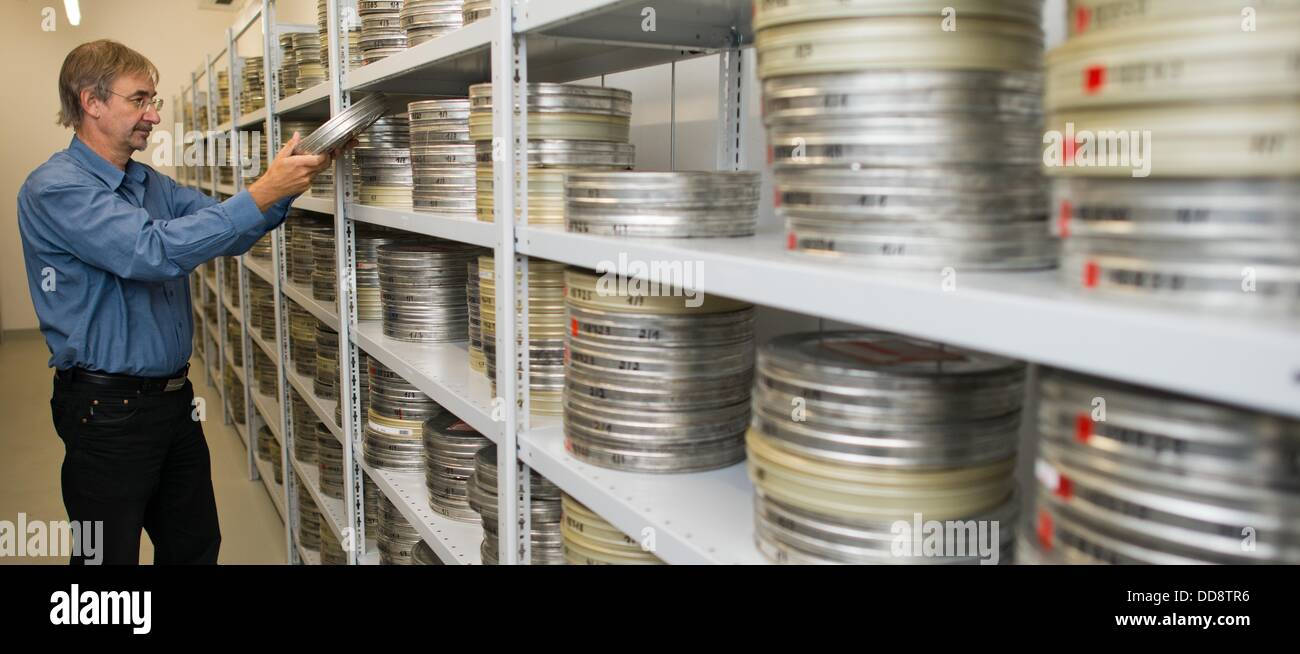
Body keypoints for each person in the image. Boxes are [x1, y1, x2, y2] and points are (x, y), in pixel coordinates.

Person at [17, 39, 336, 564]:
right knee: (106, 561)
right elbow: (151, 252)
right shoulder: (56, 188)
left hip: (172, 401)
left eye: (154, 100)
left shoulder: (149, 184)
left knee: (193, 546)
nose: (155, 115)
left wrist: (291, 181)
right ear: (91, 101)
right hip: (107, 410)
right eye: (140, 100)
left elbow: (227, 230)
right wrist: (261, 192)